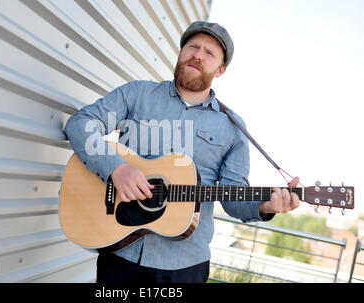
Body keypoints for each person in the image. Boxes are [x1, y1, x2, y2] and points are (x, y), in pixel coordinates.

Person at [63, 21, 301, 283]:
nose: (198, 55)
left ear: (220, 70)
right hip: (121, 251)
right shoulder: (137, 94)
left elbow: (234, 199)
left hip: (184, 265)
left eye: (209, 53)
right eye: (193, 46)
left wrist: (265, 205)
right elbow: (80, 125)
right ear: (181, 52)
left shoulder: (233, 128)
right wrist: (115, 168)